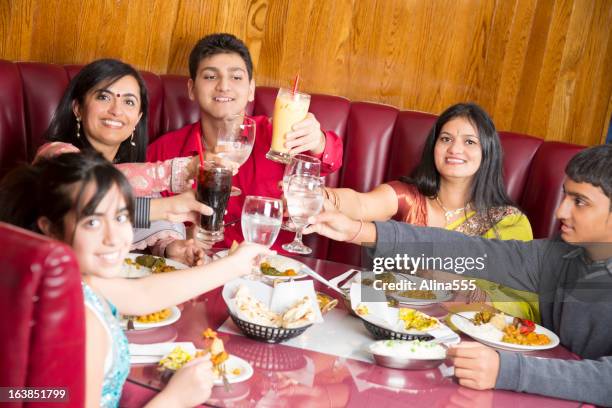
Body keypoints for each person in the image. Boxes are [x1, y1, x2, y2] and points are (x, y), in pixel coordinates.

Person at [305, 144, 612, 406]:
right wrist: (359, 231)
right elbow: (471, 252)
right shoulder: (562, 254)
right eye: (566, 196)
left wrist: (508, 371)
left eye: (580, 202)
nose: (561, 212)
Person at [0, 151, 272, 407]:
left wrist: (234, 265)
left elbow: (144, 294)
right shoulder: (83, 322)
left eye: (121, 217)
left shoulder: (77, 282)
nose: (114, 237)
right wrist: (175, 399)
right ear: (51, 228)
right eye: (92, 223)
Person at [324, 103, 537, 320]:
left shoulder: (508, 222)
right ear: (433, 146)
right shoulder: (409, 198)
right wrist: (321, 197)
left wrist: (463, 288)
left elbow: (524, 308)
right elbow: (361, 204)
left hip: (467, 339)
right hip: (387, 322)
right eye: (446, 139)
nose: (454, 149)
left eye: (470, 142)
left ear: (487, 153)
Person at [147, 33, 343, 252]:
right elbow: (143, 223)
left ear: (251, 90)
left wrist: (318, 141)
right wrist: (174, 244)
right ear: (192, 89)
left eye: (236, 77)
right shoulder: (164, 150)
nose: (223, 86)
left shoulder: (279, 137)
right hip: (195, 273)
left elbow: (329, 162)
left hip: (270, 271)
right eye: (211, 77)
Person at [36, 58, 210, 264]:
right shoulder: (55, 155)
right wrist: (180, 174)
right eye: (103, 97)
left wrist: (172, 249)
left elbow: (144, 220)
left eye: (128, 101)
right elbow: (93, 197)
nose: (116, 110)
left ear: (137, 119)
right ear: (78, 108)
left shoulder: (134, 178)